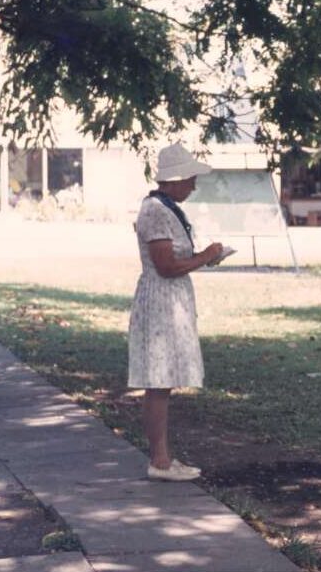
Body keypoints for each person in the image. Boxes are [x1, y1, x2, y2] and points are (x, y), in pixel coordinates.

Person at [128, 143, 223, 481]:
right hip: (161, 301)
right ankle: (159, 460)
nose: (194, 186)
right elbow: (165, 265)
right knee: (158, 380)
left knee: (164, 381)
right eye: (191, 179)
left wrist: (201, 257)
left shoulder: (166, 208)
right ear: (176, 178)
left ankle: (163, 456)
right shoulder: (155, 210)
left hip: (172, 300)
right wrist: (205, 256)